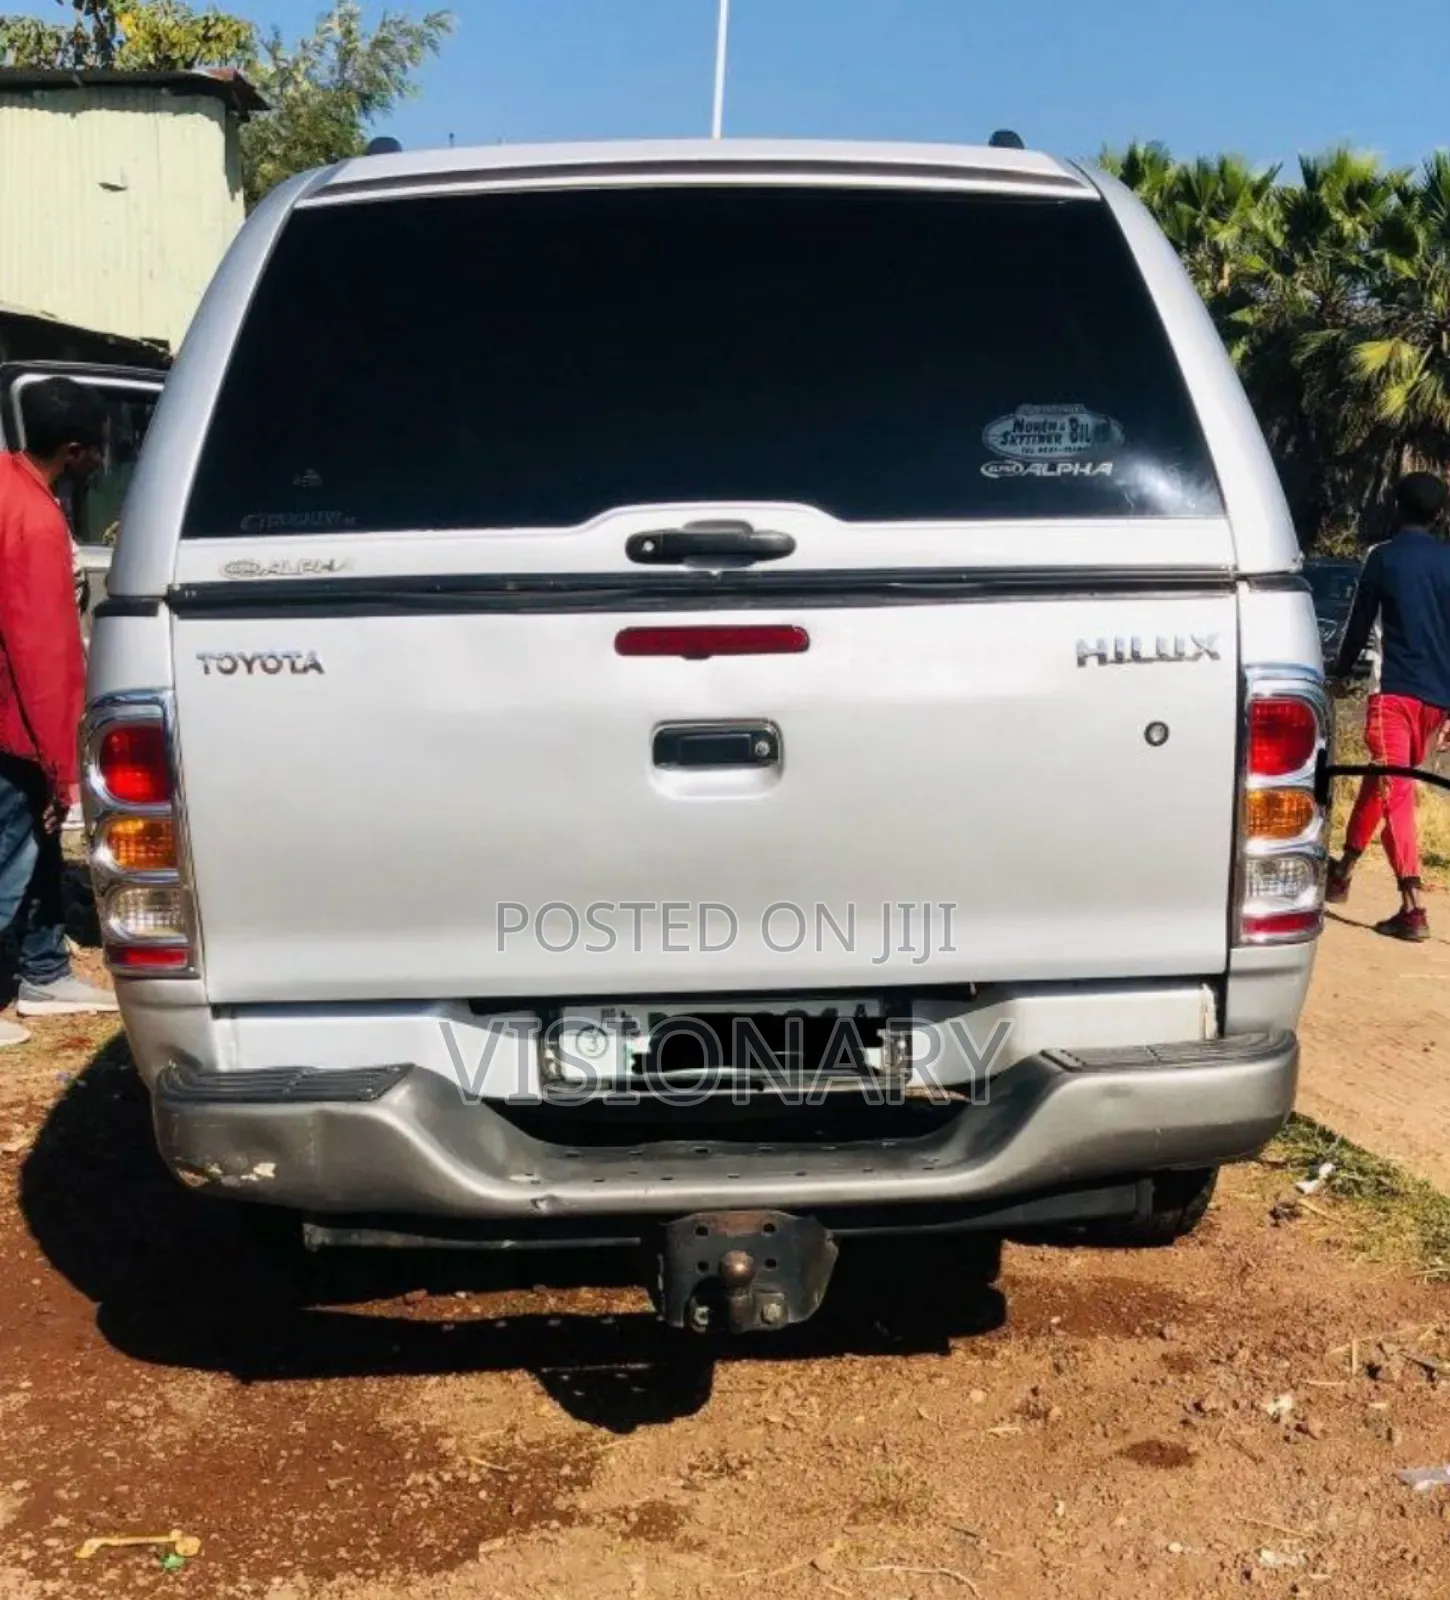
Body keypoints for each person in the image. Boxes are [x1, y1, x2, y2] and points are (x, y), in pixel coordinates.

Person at [0, 377, 120, 1046]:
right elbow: (39, 649)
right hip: (14, 725)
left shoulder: (8, 486)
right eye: (98, 451)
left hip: (12, 718)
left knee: (39, 852)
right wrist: (59, 764)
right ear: (73, 452)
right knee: (11, 851)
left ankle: (43, 969)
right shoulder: (36, 521)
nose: (101, 461)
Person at [1327, 472, 1450, 940]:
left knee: (1395, 791)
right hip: (1435, 699)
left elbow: (1359, 624)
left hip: (1393, 692)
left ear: (1395, 507)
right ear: (1438, 513)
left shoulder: (1382, 558)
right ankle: (1342, 873)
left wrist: (1337, 675)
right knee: (1384, 782)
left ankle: (1412, 906)